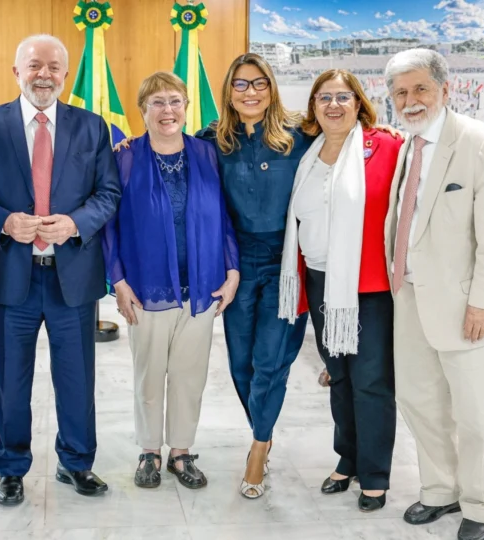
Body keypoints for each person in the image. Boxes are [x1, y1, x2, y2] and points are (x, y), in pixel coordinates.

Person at [0, 34, 121, 506]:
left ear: (65, 75)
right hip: (12, 276)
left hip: (71, 277)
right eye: (35, 65)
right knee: (9, 380)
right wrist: (3, 222)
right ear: (17, 72)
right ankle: (10, 467)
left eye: (54, 67)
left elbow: (108, 194)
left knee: (76, 377)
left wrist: (75, 223)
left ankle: (77, 462)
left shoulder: (93, 128)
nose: (44, 74)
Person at [383, 49, 484, 540]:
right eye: (401, 92)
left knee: (476, 414)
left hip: (471, 305)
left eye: (420, 88)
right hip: (412, 298)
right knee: (420, 401)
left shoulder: (479, 142)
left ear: (446, 89)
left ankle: (483, 505)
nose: (410, 99)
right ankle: (440, 490)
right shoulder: (409, 145)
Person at [102, 72, 239, 489]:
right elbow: (108, 225)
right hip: (146, 290)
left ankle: (181, 452)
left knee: (189, 375)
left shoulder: (207, 154)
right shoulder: (124, 156)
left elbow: (226, 216)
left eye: (175, 101)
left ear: (186, 108)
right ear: (142, 110)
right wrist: (118, 282)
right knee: (149, 374)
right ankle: (149, 452)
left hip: (202, 286)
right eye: (157, 102)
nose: (167, 111)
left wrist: (232, 270)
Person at [279, 69, 403, 512]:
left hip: (366, 287)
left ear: (359, 103)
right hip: (319, 281)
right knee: (339, 377)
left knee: (371, 381)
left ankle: (374, 474)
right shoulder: (306, 154)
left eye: (343, 97)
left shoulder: (387, 146)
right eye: (324, 97)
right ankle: (346, 459)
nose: (333, 105)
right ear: (313, 106)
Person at [195, 53, 313, 499]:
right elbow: (166, 151)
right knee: (241, 364)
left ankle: (259, 448)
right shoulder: (211, 140)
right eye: (241, 85)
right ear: (229, 91)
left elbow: (350, 138)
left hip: (285, 262)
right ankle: (262, 429)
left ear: (272, 87)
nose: (251, 92)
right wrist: (128, 148)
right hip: (235, 264)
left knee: (271, 362)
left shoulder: (300, 136)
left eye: (259, 83)